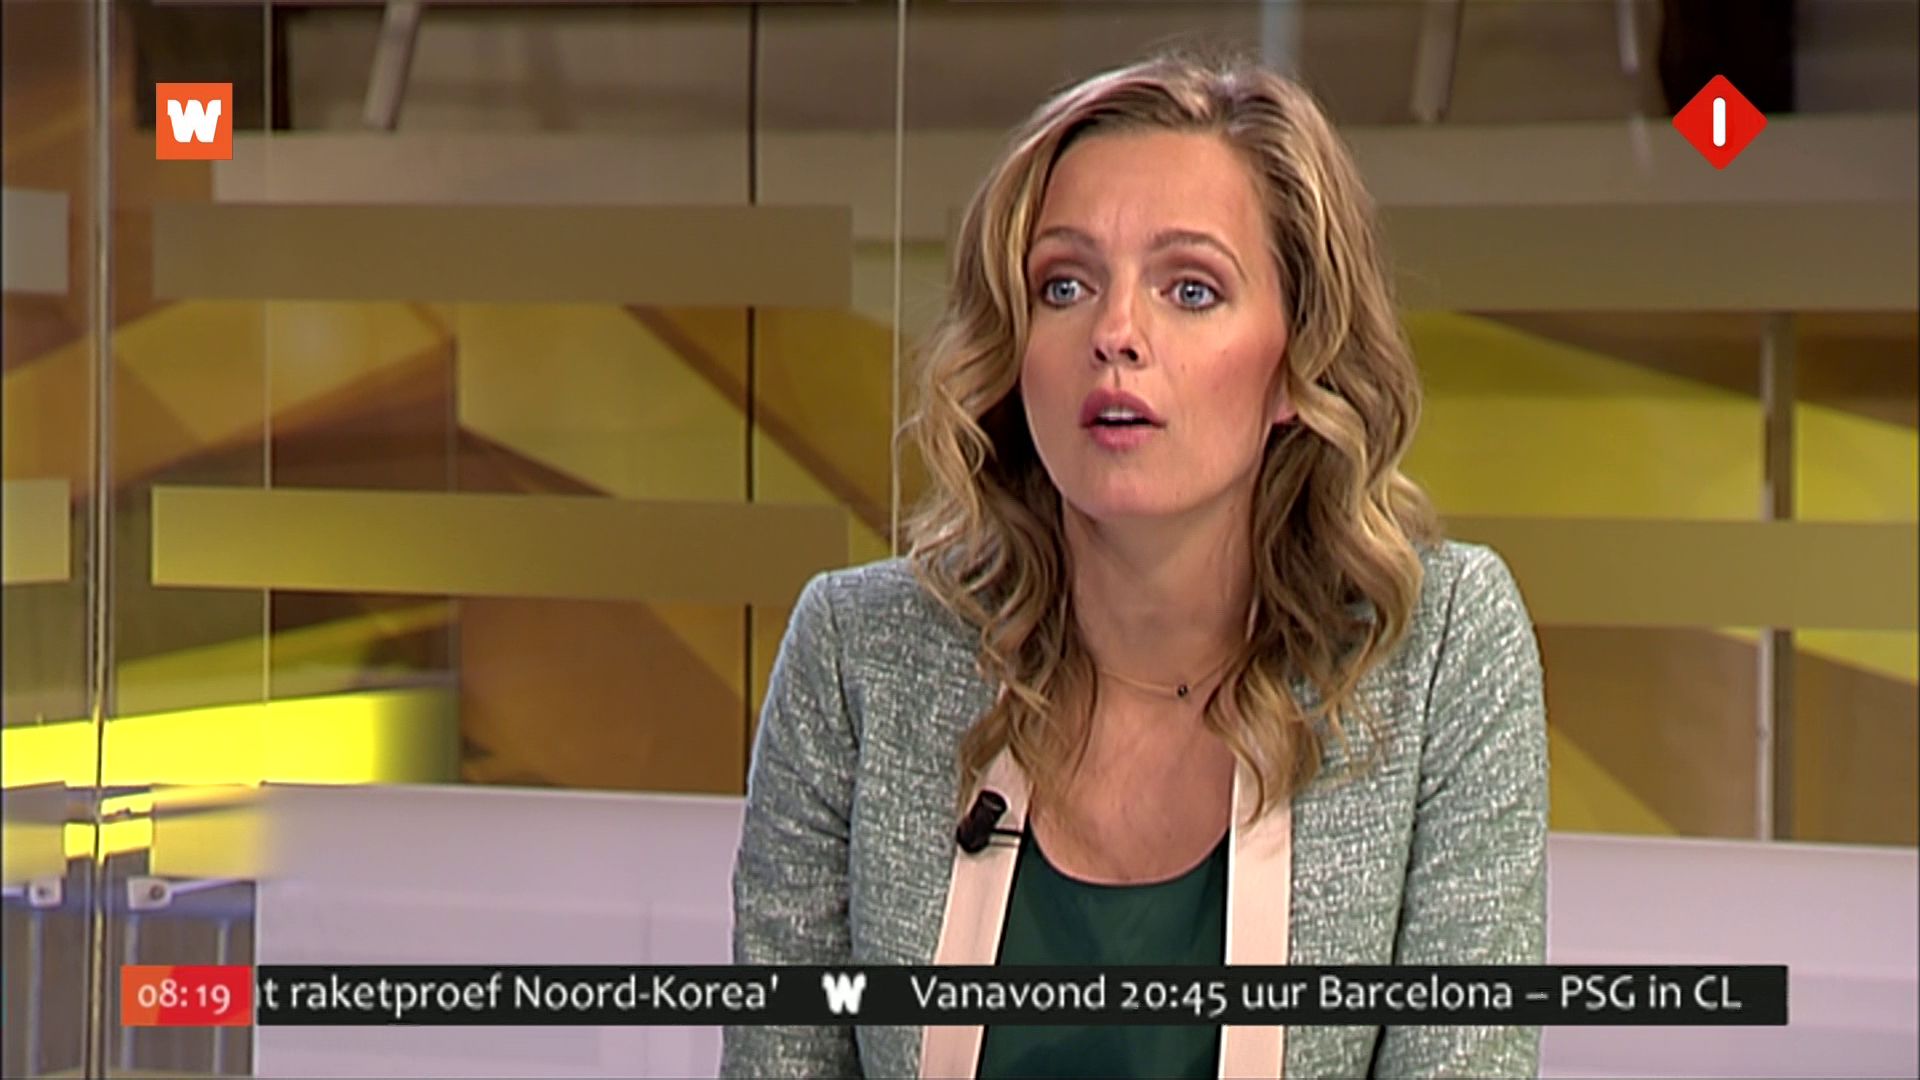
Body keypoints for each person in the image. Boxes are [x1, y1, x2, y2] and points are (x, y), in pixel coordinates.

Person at [721, 49, 1547, 1080]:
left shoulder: (1435, 651)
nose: (1115, 334)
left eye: (1190, 289)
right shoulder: (859, 657)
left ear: (1297, 362)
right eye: (1064, 286)